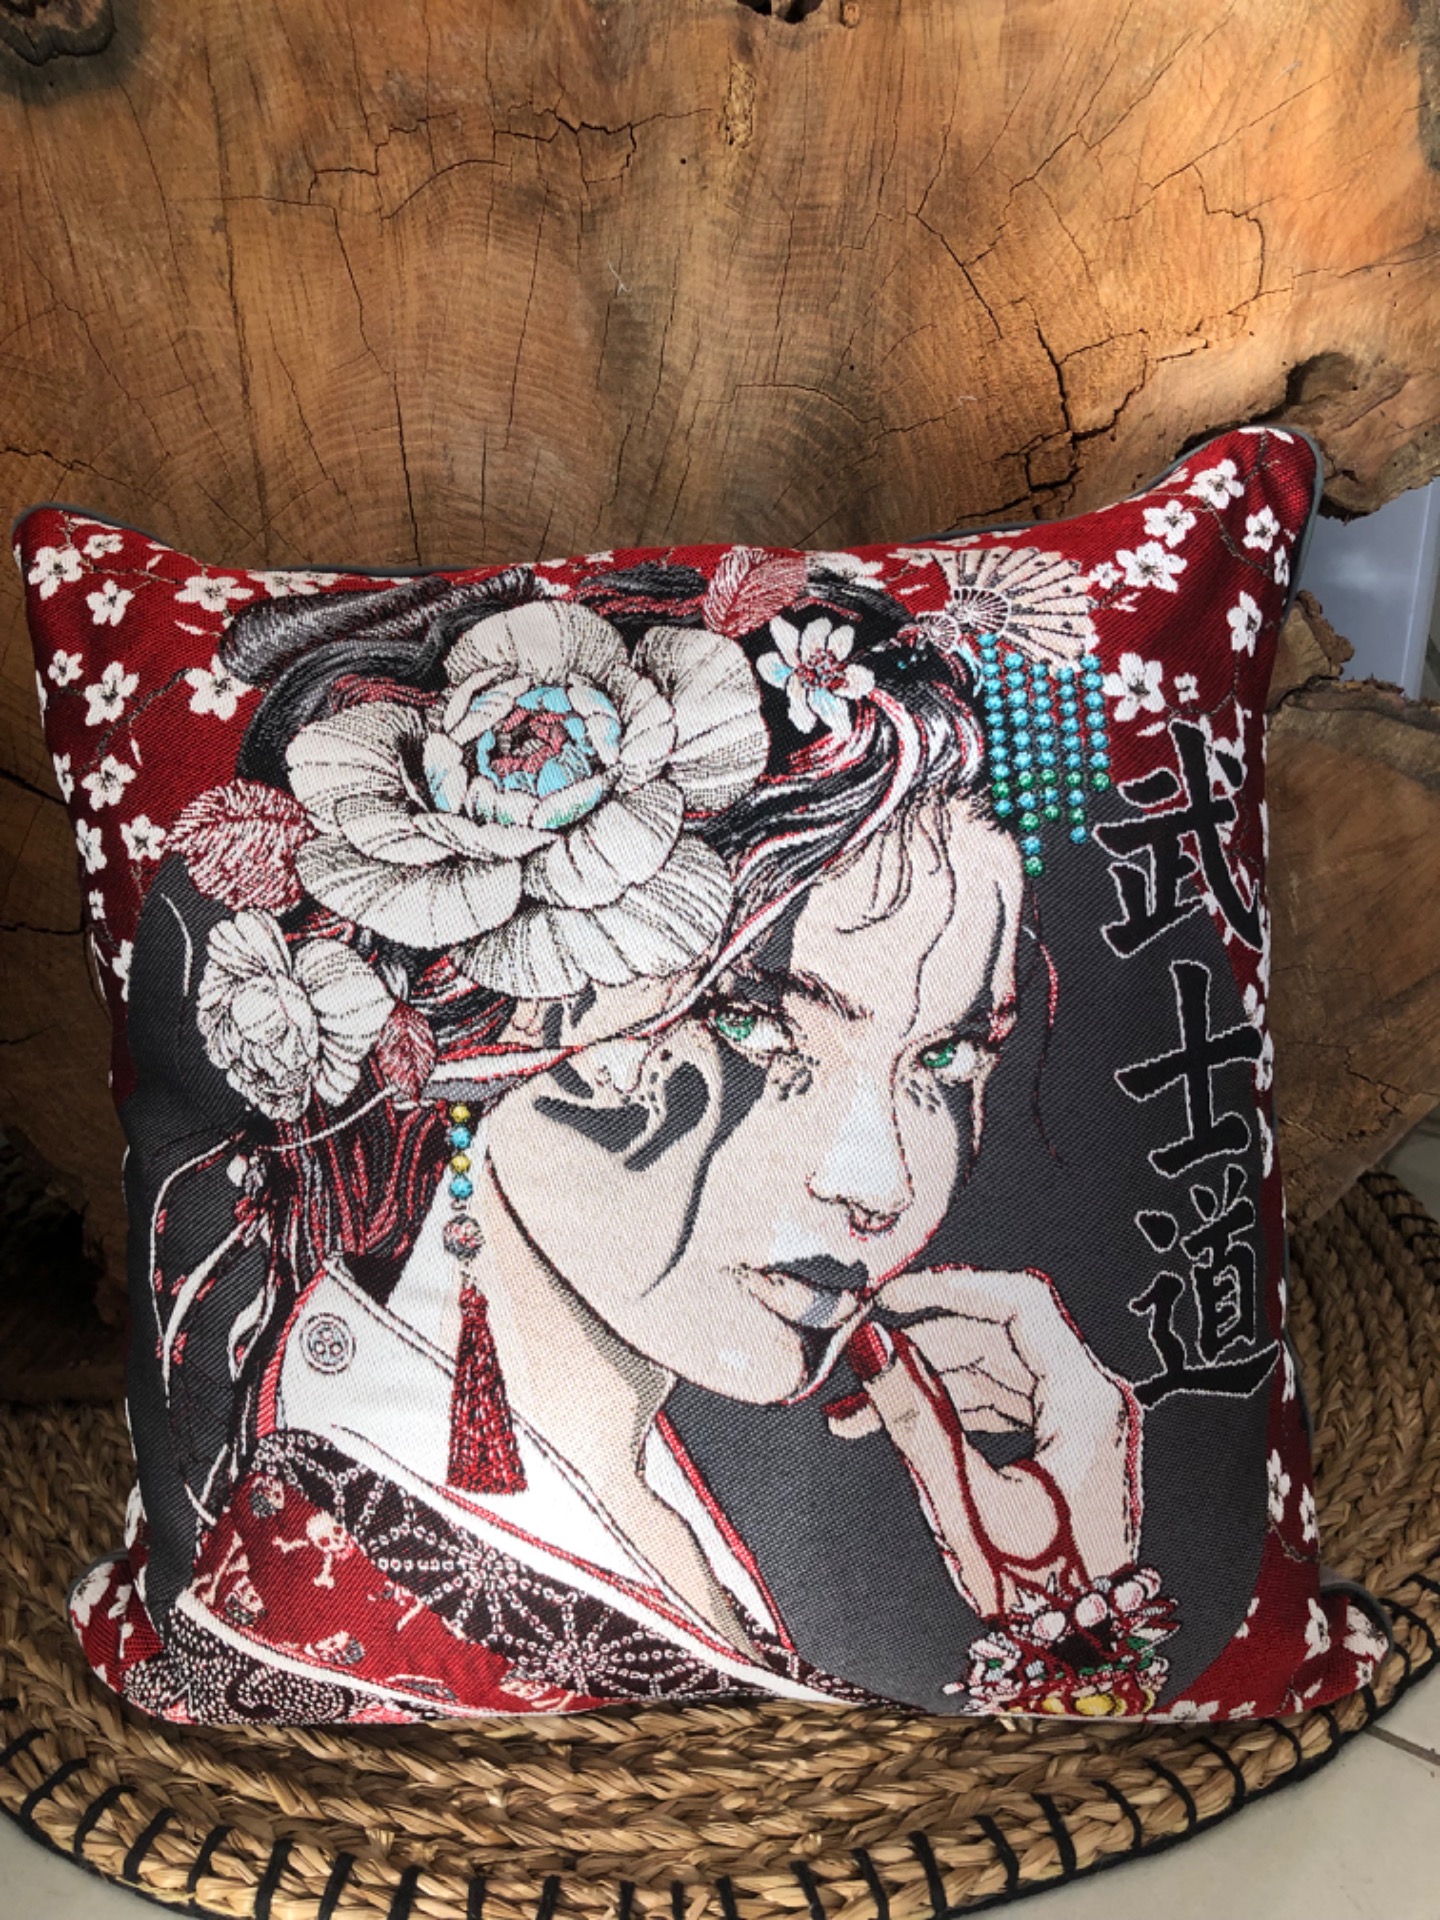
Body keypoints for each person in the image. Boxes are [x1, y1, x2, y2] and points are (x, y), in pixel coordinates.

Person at [78, 560, 1175, 1723]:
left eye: (945, 1062)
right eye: (756, 1025)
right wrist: (1076, 1627)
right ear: (510, 1004)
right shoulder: (332, 1571)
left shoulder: (625, 1479)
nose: (881, 1180)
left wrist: (1064, 1588)